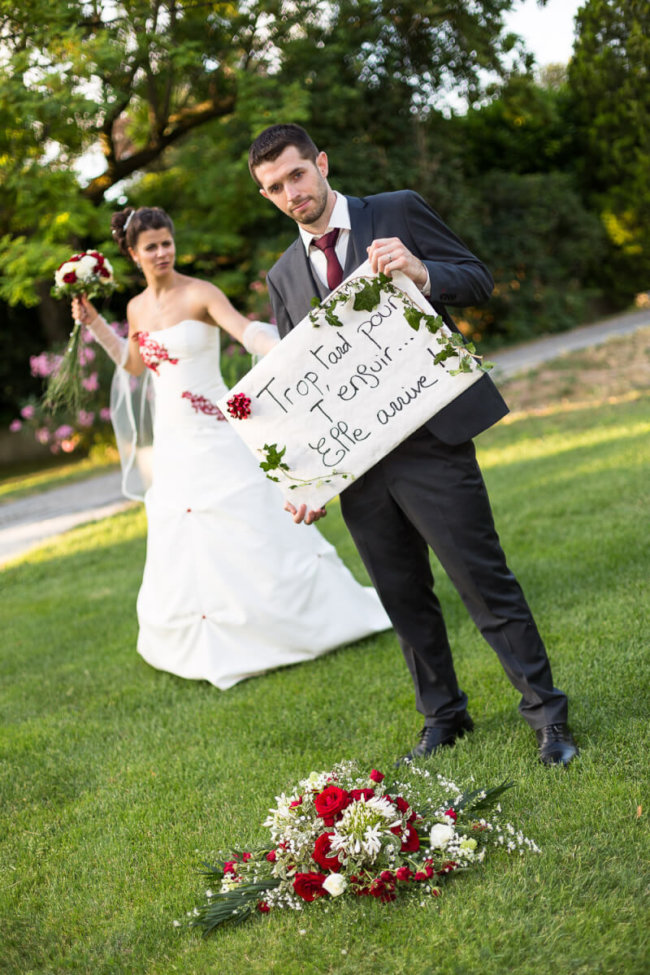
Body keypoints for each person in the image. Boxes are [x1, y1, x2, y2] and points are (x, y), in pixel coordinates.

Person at [248, 123, 578, 766]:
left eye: (296, 175)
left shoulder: (394, 210)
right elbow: (303, 387)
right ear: (266, 196)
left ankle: (548, 716)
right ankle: (444, 716)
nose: (291, 193)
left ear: (321, 162)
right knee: (402, 597)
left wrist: (423, 271)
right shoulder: (283, 274)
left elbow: (478, 279)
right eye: (274, 187)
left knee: (483, 583)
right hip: (360, 469)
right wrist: (311, 481)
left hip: (430, 440)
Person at [71, 205, 390, 689]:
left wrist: (291, 345)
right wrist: (95, 323)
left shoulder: (200, 292)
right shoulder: (136, 309)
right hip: (173, 439)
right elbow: (133, 367)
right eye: (151, 246)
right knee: (186, 527)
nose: (162, 252)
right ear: (133, 254)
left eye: (166, 242)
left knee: (251, 517)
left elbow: (245, 331)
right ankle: (210, 633)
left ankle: (293, 622)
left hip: (218, 429)